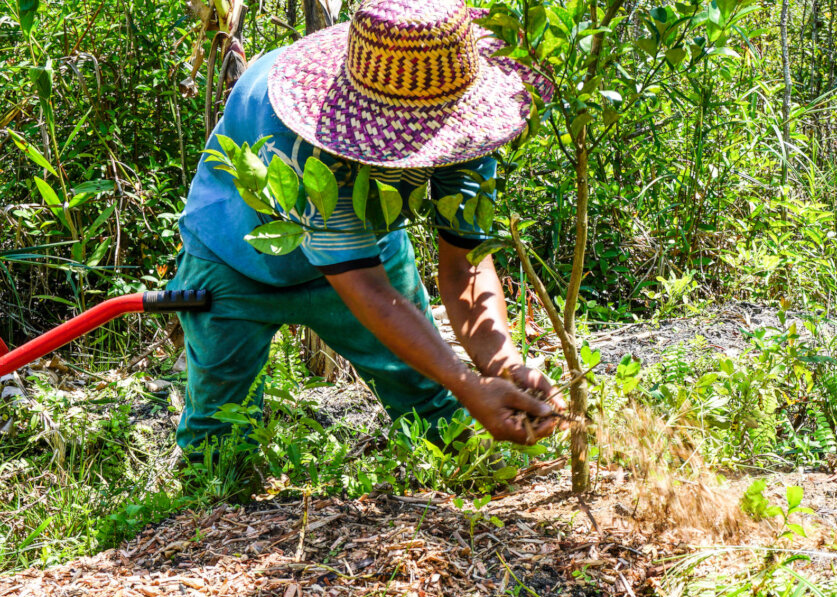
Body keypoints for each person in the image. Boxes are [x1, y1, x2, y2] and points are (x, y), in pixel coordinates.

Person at [167, 0, 563, 457]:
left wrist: (504, 366)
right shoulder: (298, 137)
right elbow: (364, 287)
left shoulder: (466, 121)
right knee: (217, 448)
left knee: (437, 415)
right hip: (235, 260)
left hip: (368, 248)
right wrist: (468, 385)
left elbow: (466, 266)